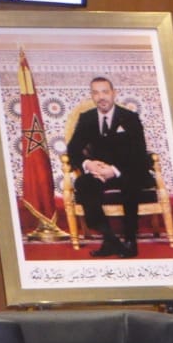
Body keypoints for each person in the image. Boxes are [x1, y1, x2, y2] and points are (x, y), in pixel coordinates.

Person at [66, 76, 152, 258]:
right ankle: (110, 239)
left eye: (105, 92)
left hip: (126, 170)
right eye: (96, 93)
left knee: (131, 183)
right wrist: (89, 164)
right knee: (83, 184)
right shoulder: (87, 118)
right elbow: (73, 149)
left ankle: (130, 240)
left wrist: (114, 170)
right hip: (99, 172)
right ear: (92, 96)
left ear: (114, 93)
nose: (101, 97)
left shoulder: (130, 118)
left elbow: (139, 153)